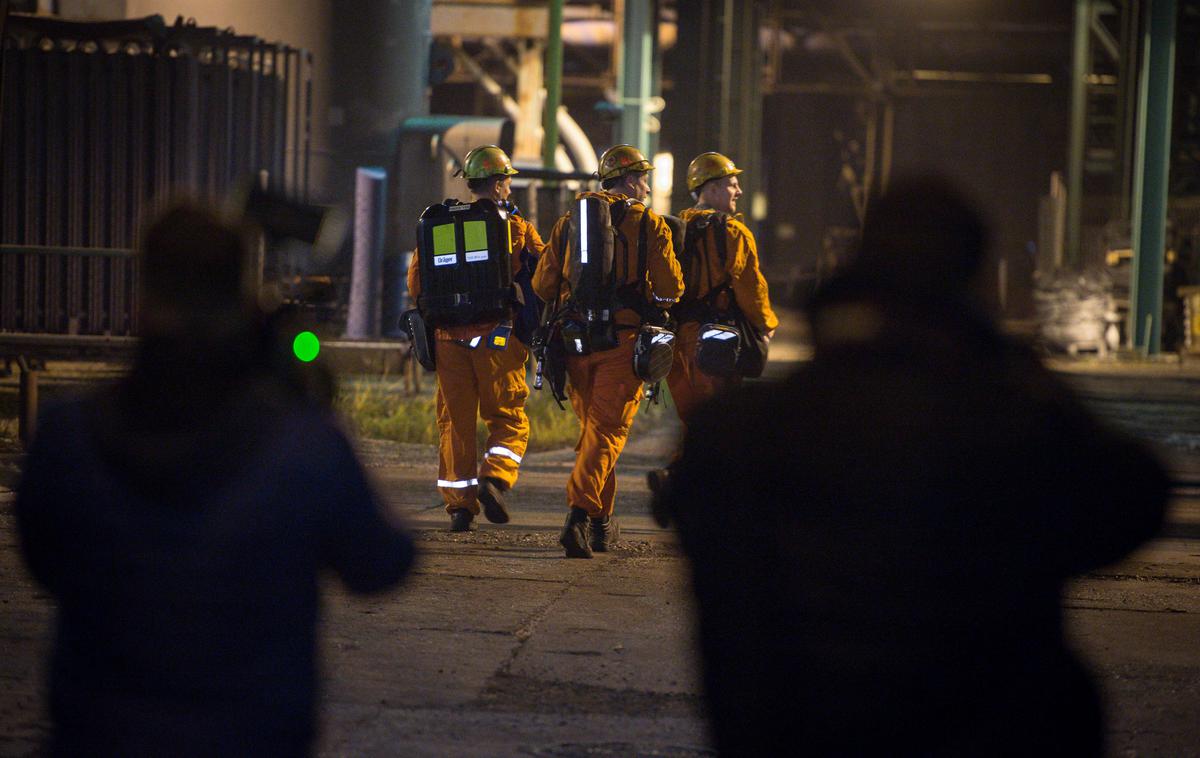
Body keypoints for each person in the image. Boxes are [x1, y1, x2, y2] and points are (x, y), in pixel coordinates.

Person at [662, 176, 1169, 755]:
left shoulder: (742, 434)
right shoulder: (1013, 422)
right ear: (975, 285)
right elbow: (1134, 500)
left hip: (804, 731)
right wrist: (1010, 365)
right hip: (985, 732)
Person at [15, 202, 415, 757]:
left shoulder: (66, 435)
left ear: (144, 296)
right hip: (253, 735)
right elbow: (381, 564)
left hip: (98, 735)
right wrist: (315, 410)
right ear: (243, 298)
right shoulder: (301, 443)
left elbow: (43, 565)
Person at [533, 144, 684, 558]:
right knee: (607, 433)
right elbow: (672, 288)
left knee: (596, 436)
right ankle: (578, 516)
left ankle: (600, 525)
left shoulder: (568, 223)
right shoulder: (649, 223)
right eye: (644, 178)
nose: (648, 186)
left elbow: (542, 288)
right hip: (623, 343)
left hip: (574, 342)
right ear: (631, 179)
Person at [407, 145, 545, 532]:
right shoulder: (515, 227)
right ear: (500, 183)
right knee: (508, 419)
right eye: (507, 181)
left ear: (469, 183)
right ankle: (496, 477)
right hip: (496, 338)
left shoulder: (436, 224)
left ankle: (460, 508)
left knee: (455, 424)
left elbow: (416, 284)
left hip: (448, 339)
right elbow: (545, 276)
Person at [648, 152, 778, 519]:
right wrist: (766, 324)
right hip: (715, 341)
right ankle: (682, 484)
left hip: (674, 342)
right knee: (715, 422)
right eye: (732, 184)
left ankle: (677, 479)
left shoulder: (672, 227)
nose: (738, 190)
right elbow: (751, 287)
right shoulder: (733, 232)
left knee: (694, 418)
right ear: (714, 188)